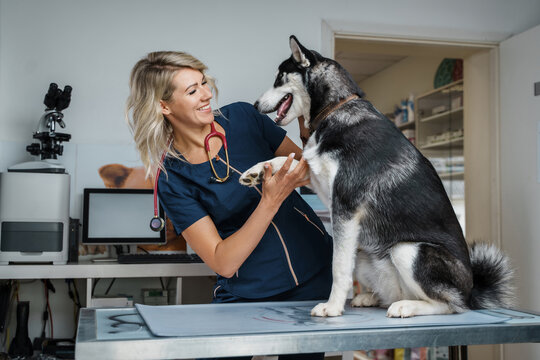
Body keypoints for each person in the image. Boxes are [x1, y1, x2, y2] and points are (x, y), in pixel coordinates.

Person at [126, 51, 333, 360]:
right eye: (193, 90)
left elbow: (306, 169)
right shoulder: (172, 178)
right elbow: (223, 262)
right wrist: (269, 201)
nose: (207, 94)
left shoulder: (243, 118)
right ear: (164, 106)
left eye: (204, 82)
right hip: (248, 292)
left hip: (314, 274)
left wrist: (307, 127)